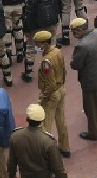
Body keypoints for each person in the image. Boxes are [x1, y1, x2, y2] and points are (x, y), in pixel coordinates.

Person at [70, 17, 97, 141]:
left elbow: (76, 65)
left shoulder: (82, 45)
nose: (74, 35)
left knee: (92, 108)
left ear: (79, 30)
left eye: (74, 32)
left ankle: (94, 133)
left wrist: (72, 60)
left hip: (91, 81)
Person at [34, 30, 72, 158]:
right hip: (61, 89)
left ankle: (46, 153)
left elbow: (49, 85)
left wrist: (43, 99)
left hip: (51, 94)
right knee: (61, 120)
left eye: (38, 43)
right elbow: (63, 70)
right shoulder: (57, 51)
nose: (37, 46)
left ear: (44, 44)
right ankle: (64, 147)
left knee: (45, 125)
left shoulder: (46, 61)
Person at [8, 103, 69, 178]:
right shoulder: (48, 141)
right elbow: (58, 169)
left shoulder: (15, 137)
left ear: (27, 119)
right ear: (42, 120)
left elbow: (11, 164)